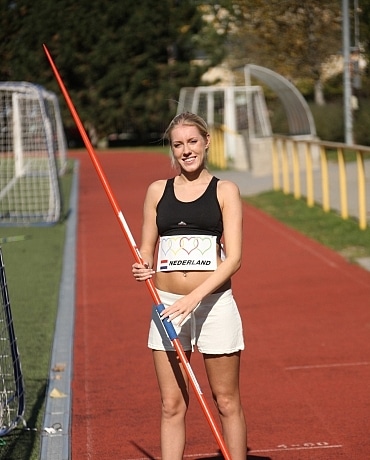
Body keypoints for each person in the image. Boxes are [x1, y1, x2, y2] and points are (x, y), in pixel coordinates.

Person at [132, 112, 247, 459]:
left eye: (192, 141)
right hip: (167, 306)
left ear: (207, 141)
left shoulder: (226, 190)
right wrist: (142, 265)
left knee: (226, 400)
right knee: (171, 404)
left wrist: (194, 297)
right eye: (178, 144)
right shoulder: (157, 191)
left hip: (213, 305)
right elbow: (146, 249)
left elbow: (235, 258)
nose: (186, 150)